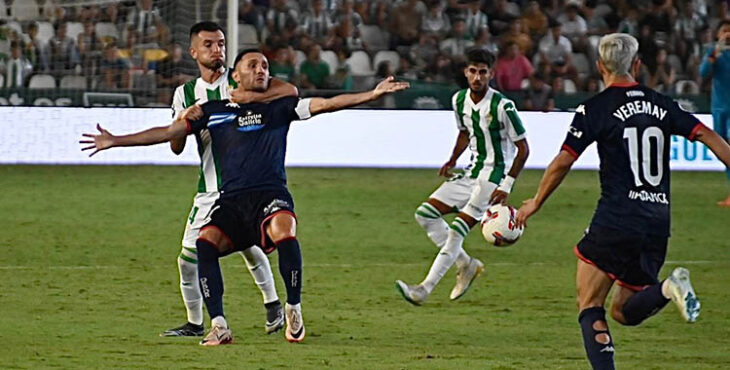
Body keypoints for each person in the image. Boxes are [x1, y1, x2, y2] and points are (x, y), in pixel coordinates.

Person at [80, 50, 410, 345]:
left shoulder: (280, 107)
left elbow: (326, 104)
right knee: (204, 245)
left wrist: (372, 94)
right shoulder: (210, 111)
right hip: (232, 201)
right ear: (235, 75)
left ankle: (292, 308)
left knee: (285, 231)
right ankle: (219, 325)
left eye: (266, 66)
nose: (262, 70)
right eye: (253, 65)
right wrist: (116, 141)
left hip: (270, 193)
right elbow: (167, 134)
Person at [515, 33, 730, 370]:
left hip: (617, 217)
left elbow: (563, 161)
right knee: (624, 312)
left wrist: (534, 204)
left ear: (600, 66)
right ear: (638, 65)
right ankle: (667, 288)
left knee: (589, 304)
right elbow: (707, 134)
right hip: (658, 221)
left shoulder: (596, 108)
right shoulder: (662, 103)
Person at [161, 21, 298, 338]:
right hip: (208, 188)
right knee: (194, 258)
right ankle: (199, 321)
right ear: (194, 51)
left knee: (247, 245)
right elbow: (176, 146)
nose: (217, 50)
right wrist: (186, 118)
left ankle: (270, 307)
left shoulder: (240, 81)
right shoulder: (185, 93)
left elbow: (288, 92)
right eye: (209, 45)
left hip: (244, 185)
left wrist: (248, 101)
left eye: (221, 44)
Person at [395, 48, 529, 305]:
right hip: (471, 173)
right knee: (424, 214)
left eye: (483, 72)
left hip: (493, 178)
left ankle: (423, 289)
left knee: (457, 230)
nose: (477, 77)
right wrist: (453, 159)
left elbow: (524, 149)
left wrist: (507, 185)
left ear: (491, 74)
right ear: (465, 72)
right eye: (473, 71)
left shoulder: (503, 106)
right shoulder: (458, 101)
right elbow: (465, 133)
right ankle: (466, 265)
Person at [699, 20, 730, 206]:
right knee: (724, 150)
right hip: (719, 109)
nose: (727, 35)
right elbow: (703, 73)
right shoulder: (713, 52)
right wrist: (713, 55)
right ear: (718, 34)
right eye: (724, 31)